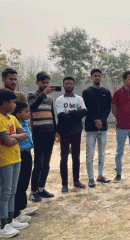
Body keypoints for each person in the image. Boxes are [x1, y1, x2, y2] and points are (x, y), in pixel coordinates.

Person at [0, 89, 29, 238]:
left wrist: (13, 136)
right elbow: (8, 142)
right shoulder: (0, 119)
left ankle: (10, 221)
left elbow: (24, 134)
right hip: (4, 161)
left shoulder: (12, 118)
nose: (14, 105)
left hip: (16, 159)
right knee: (4, 193)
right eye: (12, 103)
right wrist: (14, 137)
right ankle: (2, 225)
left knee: (12, 191)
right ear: (5, 103)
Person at [28, 71, 56, 202]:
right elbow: (32, 108)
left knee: (47, 163)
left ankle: (41, 188)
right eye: (43, 82)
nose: (45, 85)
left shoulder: (50, 99)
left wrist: (56, 131)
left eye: (47, 83)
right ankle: (33, 191)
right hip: (38, 134)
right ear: (37, 82)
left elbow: (52, 116)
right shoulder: (31, 95)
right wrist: (43, 94)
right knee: (38, 163)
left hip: (50, 134)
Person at [56, 77, 87, 193]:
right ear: (63, 85)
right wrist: (76, 114)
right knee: (64, 158)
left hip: (76, 131)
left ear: (74, 85)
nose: (69, 85)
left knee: (76, 157)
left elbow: (84, 112)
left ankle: (76, 181)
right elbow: (61, 116)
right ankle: (64, 184)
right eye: (66, 84)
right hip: (64, 132)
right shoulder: (59, 100)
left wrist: (70, 112)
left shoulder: (79, 98)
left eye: (71, 83)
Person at [82, 69, 112, 188]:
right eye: (95, 76)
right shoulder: (86, 92)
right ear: (91, 78)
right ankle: (90, 178)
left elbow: (107, 109)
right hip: (90, 128)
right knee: (90, 154)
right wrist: (95, 120)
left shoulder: (106, 92)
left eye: (99, 76)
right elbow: (86, 109)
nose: (97, 78)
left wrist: (102, 121)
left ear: (101, 77)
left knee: (102, 153)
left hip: (103, 128)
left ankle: (100, 175)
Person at [112, 71, 130, 181]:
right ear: (124, 80)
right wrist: (120, 118)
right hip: (121, 127)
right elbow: (113, 109)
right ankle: (118, 173)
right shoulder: (117, 93)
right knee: (119, 150)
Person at [12, 102, 38, 223]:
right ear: (18, 113)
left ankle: (23, 206)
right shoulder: (16, 124)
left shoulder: (25, 123)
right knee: (20, 183)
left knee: (25, 181)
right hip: (20, 154)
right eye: (26, 111)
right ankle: (18, 209)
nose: (29, 113)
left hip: (27, 153)